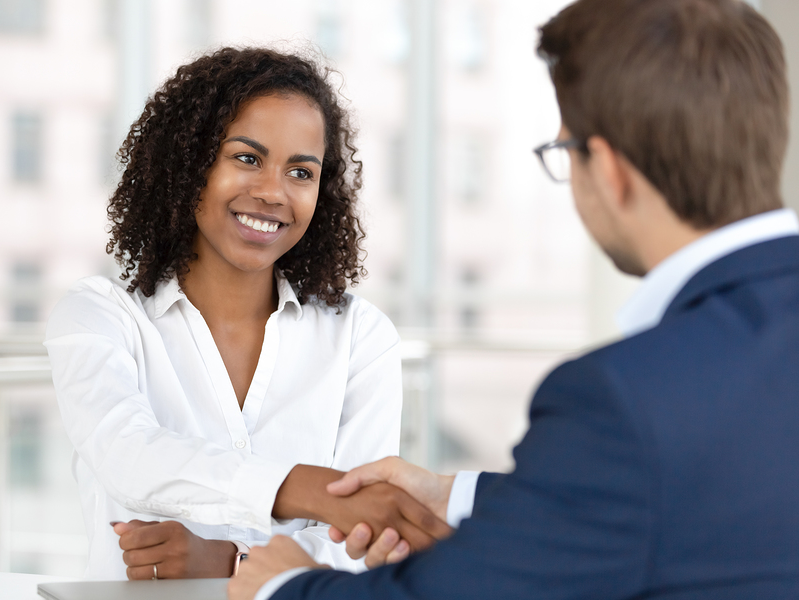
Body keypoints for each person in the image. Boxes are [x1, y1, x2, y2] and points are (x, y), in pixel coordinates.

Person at [230, 0, 799, 598]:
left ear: (607, 169)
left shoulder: (626, 398)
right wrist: (456, 495)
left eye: (564, 154)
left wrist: (280, 585)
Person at [44, 47, 450, 581]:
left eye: (300, 172)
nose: (272, 193)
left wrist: (235, 562)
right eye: (247, 158)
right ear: (190, 165)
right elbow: (128, 456)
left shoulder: (358, 336)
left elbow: (364, 541)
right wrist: (310, 492)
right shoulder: (100, 317)